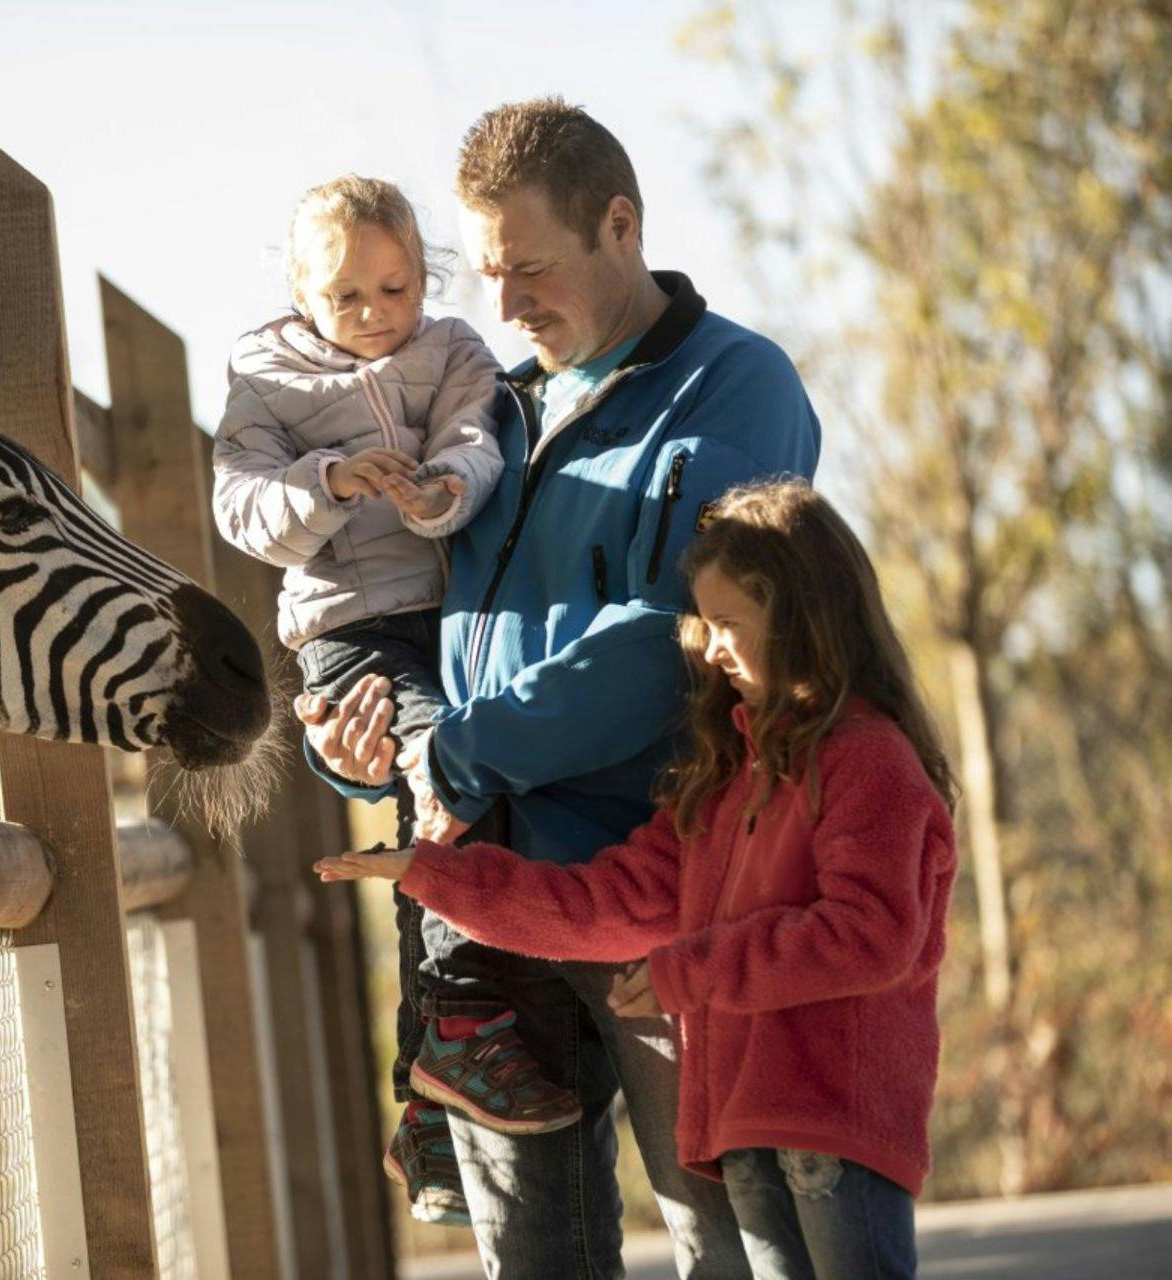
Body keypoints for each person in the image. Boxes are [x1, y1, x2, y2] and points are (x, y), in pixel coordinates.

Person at [296, 98, 821, 1276]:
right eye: (487, 273)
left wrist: (460, 752)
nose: (507, 304)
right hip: (485, 897)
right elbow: (413, 617)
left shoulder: (737, 389)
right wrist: (363, 734)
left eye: (529, 266)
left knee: (734, 1242)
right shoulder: (491, 411)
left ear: (620, 225)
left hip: (666, 886)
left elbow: (673, 639)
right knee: (535, 1261)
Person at [317, 478, 957, 1280]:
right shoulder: (723, 782)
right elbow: (598, 904)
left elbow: (868, 936)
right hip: (742, 1130)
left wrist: (688, 973)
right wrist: (433, 875)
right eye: (705, 624)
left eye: (728, 625)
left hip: (835, 1124)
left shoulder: (869, 762)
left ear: (801, 615)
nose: (712, 650)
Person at [211, 175, 580, 1225]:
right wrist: (328, 480)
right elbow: (240, 503)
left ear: (427, 275)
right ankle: (466, 1017)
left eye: (396, 287)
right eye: (347, 298)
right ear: (298, 292)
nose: (376, 316)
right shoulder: (264, 372)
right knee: (442, 770)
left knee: (439, 816)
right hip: (347, 635)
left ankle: (425, 1100)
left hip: (449, 614)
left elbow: (480, 434)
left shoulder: (451, 349)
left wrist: (442, 490)